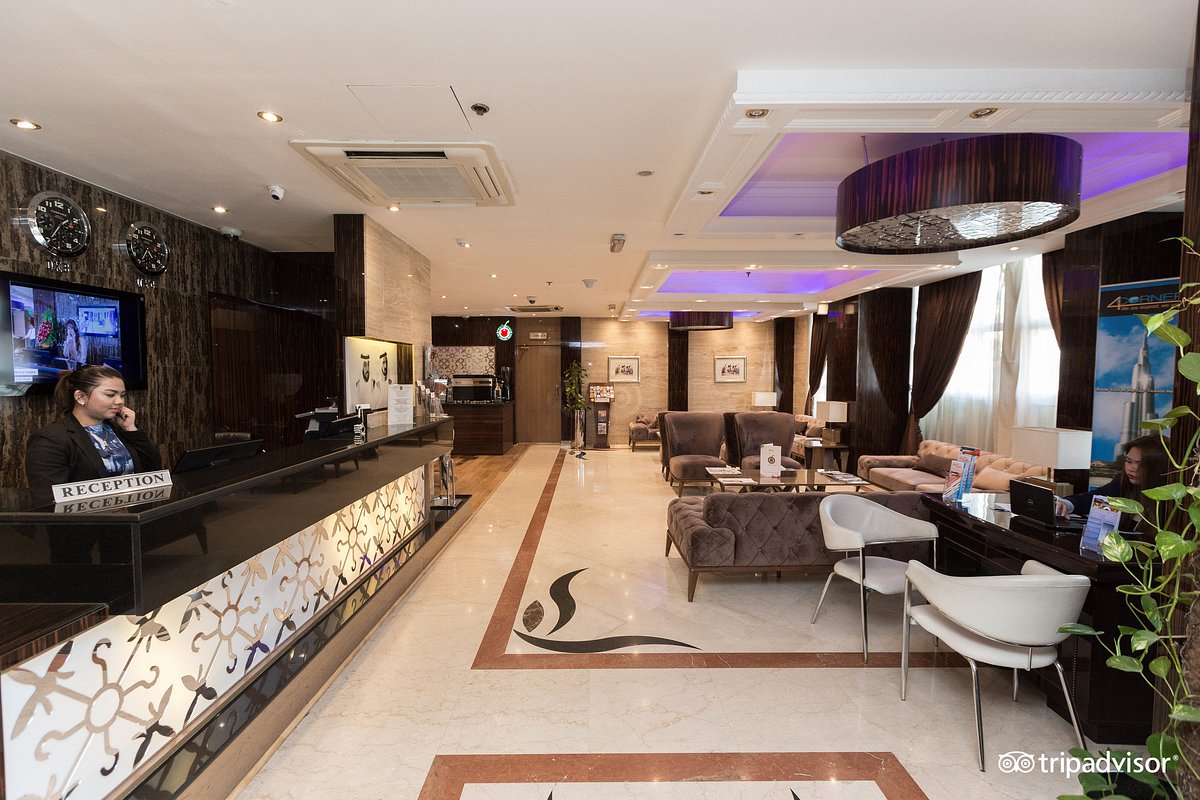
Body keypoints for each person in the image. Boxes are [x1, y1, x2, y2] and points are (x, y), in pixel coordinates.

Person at [26, 365, 162, 492]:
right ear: (80, 397)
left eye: (122, 395)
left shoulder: (119, 429)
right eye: (110, 395)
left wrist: (131, 429)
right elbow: (49, 496)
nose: (119, 401)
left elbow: (155, 471)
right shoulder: (50, 439)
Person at [1056, 434, 1169, 521]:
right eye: (1128, 461)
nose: (1131, 468)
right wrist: (1067, 504)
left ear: (1157, 467)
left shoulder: (1169, 498)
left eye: (1140, 464)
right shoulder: (1122, 482)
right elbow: (1093, 499)